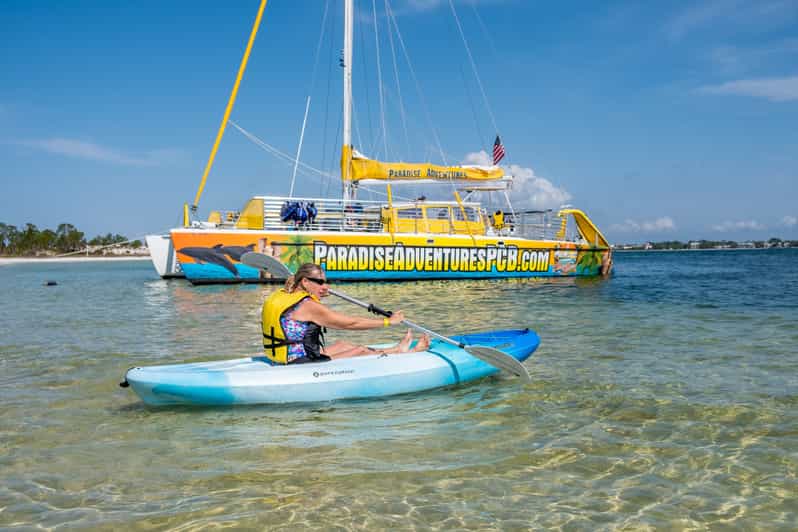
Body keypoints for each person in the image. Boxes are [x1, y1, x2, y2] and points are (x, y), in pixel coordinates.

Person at [262, 263, 430, 364]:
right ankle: (409, 354)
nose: (325, 286)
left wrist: (316, 293)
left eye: (325, 282)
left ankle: (396, 349)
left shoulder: (284, 294)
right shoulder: (308, 305)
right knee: (360, 350)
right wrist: (388, 322)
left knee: (344, 345)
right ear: (305, 282)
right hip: (300, 361)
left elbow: (302, 318)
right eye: (320, 282)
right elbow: (350, 323)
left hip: (287, 355)